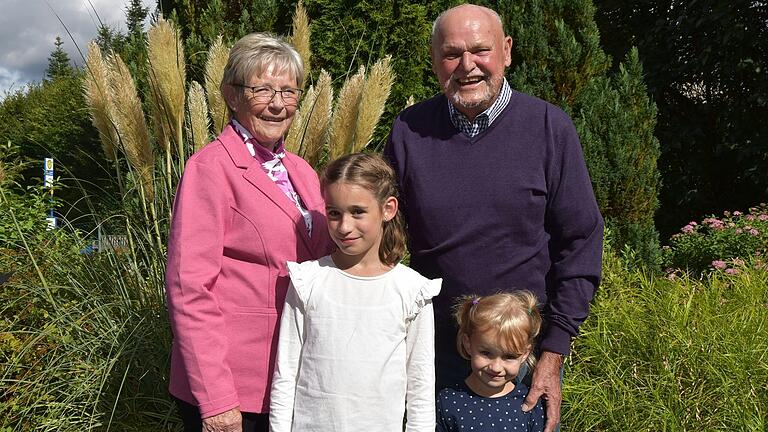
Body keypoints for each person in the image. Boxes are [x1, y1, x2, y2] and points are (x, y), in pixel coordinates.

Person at [384, 4, 604, 431]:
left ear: (505, 51)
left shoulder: (548, 127)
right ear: (434, 61)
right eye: (451, 54)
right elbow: (384, 238)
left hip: (519, 359)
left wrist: (553, 351)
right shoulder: (409, 131)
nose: (467, 66)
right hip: (435, 358)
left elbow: (581, 240)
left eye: (480, 50)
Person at [166, 32, 332, 432]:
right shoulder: (210, 169)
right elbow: (190, 290)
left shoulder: (302, 172)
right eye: (263, 90)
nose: (278, 104)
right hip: (236, 391)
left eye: (288, 92)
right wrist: (217, 400)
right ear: (231, 95)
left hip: (295, 377)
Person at [269, 153, 442, 432]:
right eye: (334, 213)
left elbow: (420, 386)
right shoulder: (308, 280)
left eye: (358, 212)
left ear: (388, 209)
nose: (344, 226)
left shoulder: (412, 291)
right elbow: (286, 374)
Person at [437, 291, 545, 432]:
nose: (496, 367)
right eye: (486, 353)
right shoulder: (448, 401)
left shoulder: (529, 404)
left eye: (509, 356)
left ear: (525, 354)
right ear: (468, 344)